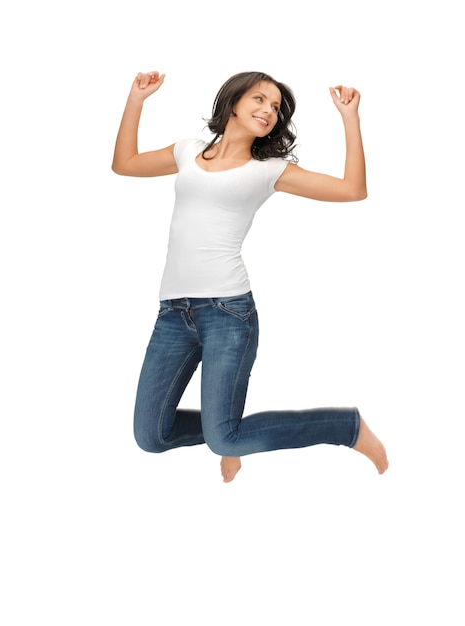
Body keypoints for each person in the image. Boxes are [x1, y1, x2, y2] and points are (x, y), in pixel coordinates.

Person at [112, 70, 388, 482]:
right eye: (260, 99)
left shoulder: (270, 169)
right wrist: (136, 101)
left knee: (225, 438)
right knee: (151, 436)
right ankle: (229, 435)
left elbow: (352, 190)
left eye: (275, 107)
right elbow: (125, 165)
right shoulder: (188, 151)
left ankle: (346, 427)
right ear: (234, 101)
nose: (269, 111)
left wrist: (351, 118)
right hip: (173, 313)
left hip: (228, 313)